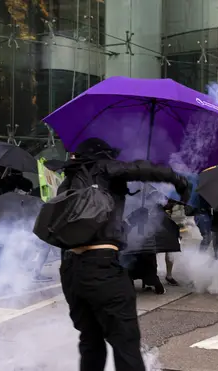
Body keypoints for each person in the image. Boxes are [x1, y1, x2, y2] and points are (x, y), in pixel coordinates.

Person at [55, 138, 190, 371]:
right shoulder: (104, 168)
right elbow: (142, 169)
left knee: (90, 341)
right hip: (101, 266)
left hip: (71, 271)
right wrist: (178, 180)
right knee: (125, 342)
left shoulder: (66, 184)